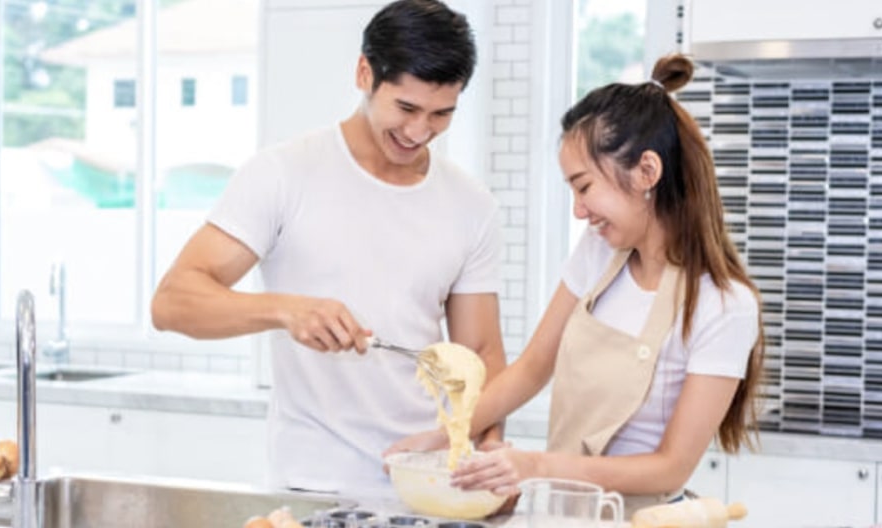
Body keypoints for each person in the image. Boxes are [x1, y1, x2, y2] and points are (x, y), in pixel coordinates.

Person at [151, 0, 506, 498]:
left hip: (427, 486)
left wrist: (489, 454)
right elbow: (173, 303)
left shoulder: (471, 204)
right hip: (311, 486)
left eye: (441, 114)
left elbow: (481, 353)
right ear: (365, 73)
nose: (419, 132)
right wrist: (286, 310)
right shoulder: (282, 174)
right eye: (405, 108)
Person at [386, 53, 765, 517]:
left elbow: (670, 468)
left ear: (647, 172)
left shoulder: (723, 304)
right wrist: (438, 441)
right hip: (563, 515)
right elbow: (530, 370)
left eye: (584, 187)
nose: (579, 211)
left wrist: (535, 466)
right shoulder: (598, 253)